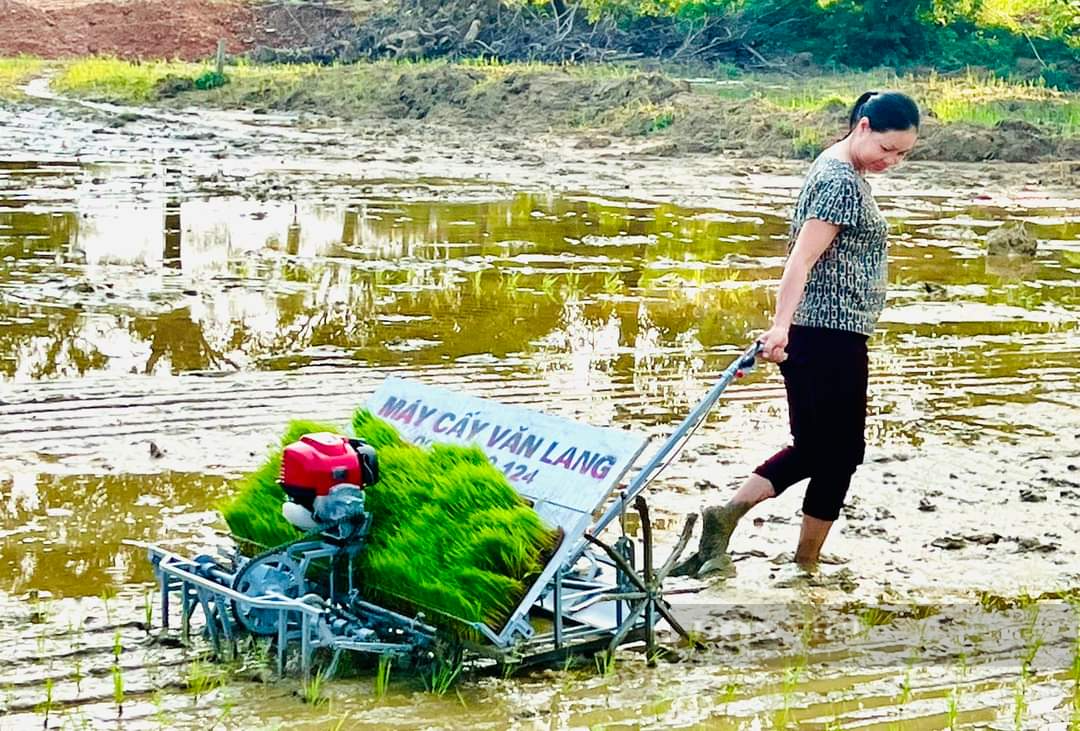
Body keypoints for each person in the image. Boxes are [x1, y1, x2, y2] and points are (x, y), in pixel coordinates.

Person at [673, 91, 921, 579]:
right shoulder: (840, 182)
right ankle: (805, 563)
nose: (891, 161)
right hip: (828, 333)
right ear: (864, 126)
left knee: (817, 448)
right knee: (841, 452)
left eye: (903, 155)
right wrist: (780, 326)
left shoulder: (837, 165)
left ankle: (727, 519)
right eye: (887, 149)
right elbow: (800, 258)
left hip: (827, 330)